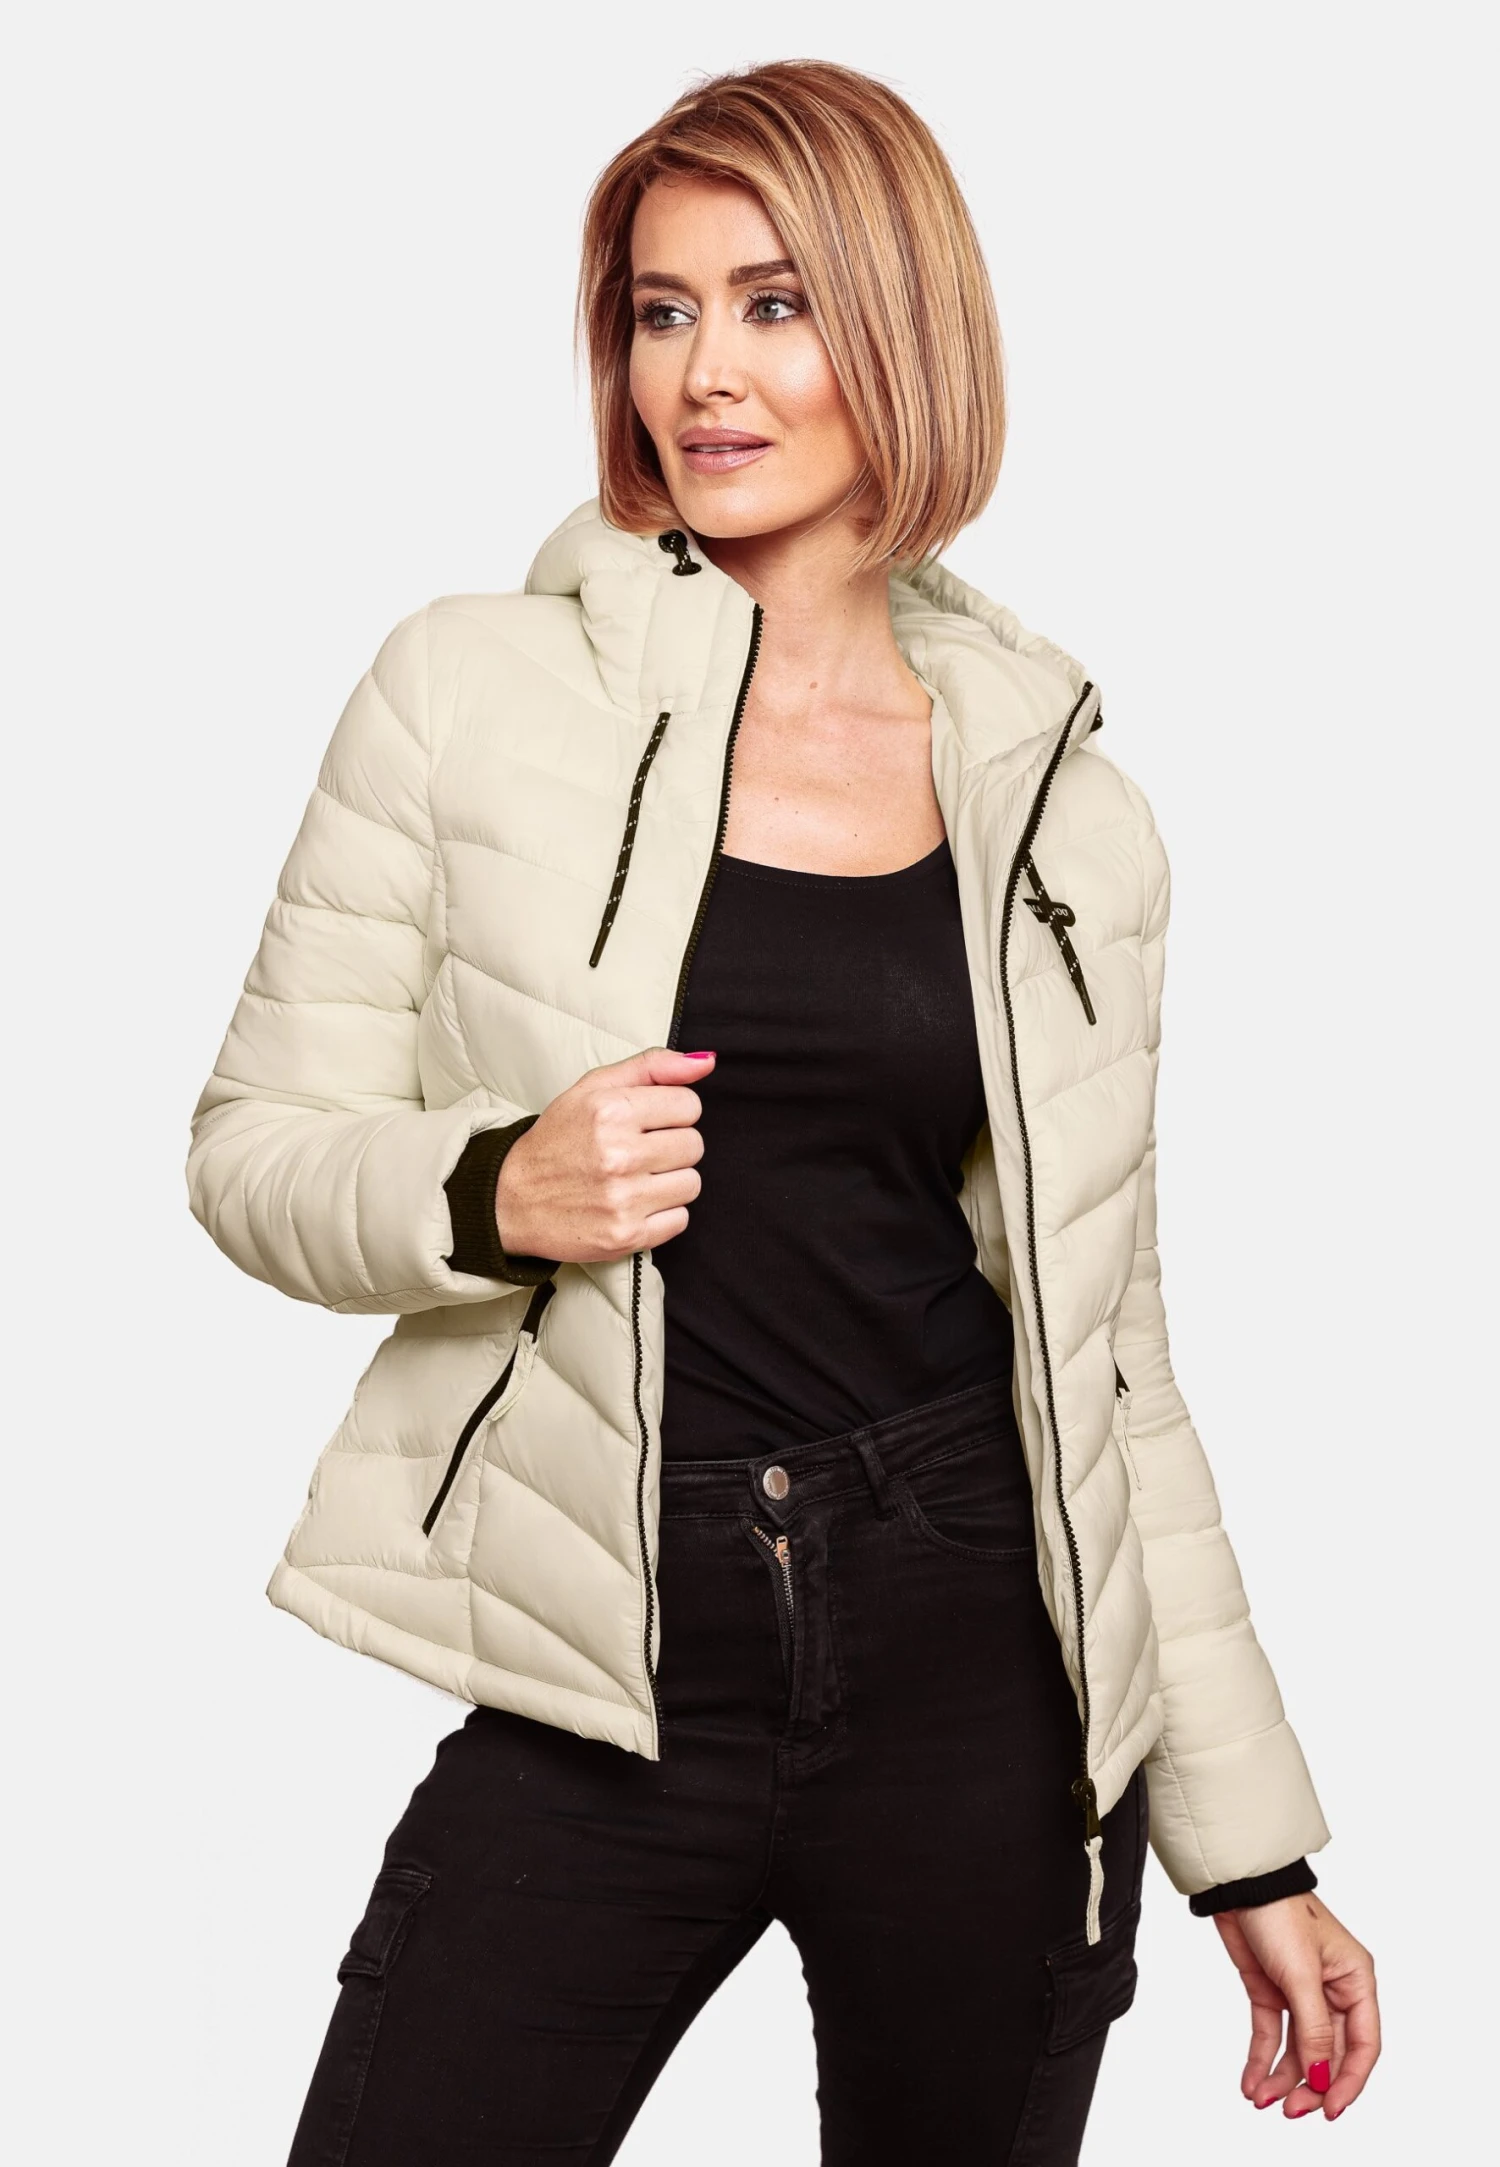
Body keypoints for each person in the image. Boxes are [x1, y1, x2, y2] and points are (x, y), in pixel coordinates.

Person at [186, 58, 1380, 2167]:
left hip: (978, 1656)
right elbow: (254, 1147)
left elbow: (1106, 1362)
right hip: (609, 1642)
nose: (705, 374)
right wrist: (495, 1185)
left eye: (773, 304)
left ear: (900, 333)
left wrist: (1250, 1848)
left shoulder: (1068, 809)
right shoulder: (464, 690)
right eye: (661, 311)